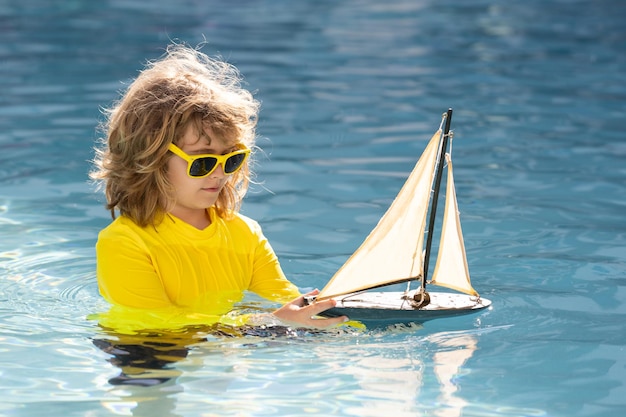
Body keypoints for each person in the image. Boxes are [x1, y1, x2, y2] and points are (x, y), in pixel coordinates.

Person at [90, 43, 347, 332]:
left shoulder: (245, 234)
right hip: (145, 352)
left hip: (225, 348)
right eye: (203, 162)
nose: (220, 174)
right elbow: (158, 325)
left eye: (232, 159)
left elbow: (280, 301)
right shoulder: (125, 243)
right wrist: (267, 325)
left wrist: (332, 315)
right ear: (150, 160)